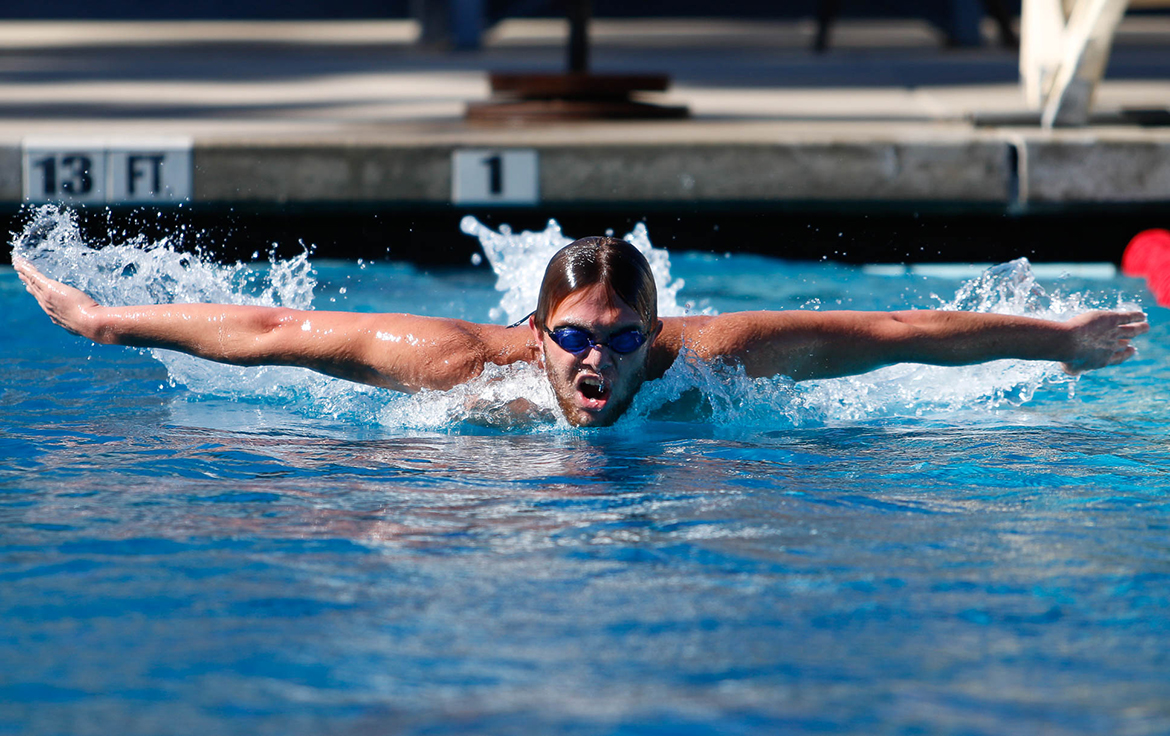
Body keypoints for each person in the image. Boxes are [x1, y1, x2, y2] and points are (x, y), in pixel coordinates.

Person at [14, 236, 1149, 427]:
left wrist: (1054, 340)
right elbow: (273, 328)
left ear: (655, 332)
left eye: (617, 339)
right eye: (572, 339)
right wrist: (103, 317)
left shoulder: (710, 360)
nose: (595, 362)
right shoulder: (457, 368)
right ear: (536, 330)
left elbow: (897, 328)